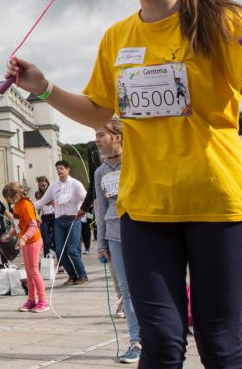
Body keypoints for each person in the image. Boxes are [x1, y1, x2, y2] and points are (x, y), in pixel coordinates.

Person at [5, 0, 242, 367]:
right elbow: (99, 112)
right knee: (159, 342)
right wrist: (43, 88)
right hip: (144, 210)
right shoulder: (117, 37)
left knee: (220, 342)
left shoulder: (220, 21)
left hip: (218, 204)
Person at [91, 117, 140, 364]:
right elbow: (100, 209)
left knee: (152, 285)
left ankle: (167, 330)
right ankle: (136, 340)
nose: (97, 139)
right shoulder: (100, 171)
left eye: (102, 134)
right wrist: (101, 243)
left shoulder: (136, 161)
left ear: (118, 137)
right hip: (114, 234)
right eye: (96, 135)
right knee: (127, 289)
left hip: (142, 230)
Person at [35, 160, 88, 285]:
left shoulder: (76, 184)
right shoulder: (53, 186)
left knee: (72, 250)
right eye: (57, 169)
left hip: (73, 219)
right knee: (59, 250)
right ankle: (72, 276)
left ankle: (83, 275)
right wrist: (27, 205)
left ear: (67, 169)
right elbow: (41, 201)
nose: (59, 171)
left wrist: (83, 209)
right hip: (58, 220)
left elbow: (86, 198)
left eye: (61, 168)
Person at [1, 182, 49, 313]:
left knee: (34, 271)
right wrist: (10, 235)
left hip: (33, 240)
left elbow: (33, 226)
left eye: (9, 198)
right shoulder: (16, 206)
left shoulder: (26, 205)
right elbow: (17, 225)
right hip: (26, 241)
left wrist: (23, 238)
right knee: (28, 271)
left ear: (16, 195)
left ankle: (43, 301)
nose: (9, 201)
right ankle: (31, 300)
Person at [34, 177, 55, 259]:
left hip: (53, 215)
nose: (43, 186)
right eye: (41, 185)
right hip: (44, 217)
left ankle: (60, 261)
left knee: (55, 239)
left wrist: (44, 202)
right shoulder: (37, 193)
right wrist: (37, 218)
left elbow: (52, 202)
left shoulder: (52, 191)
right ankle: (47, 259)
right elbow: (39, 205)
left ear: (47, 183)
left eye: (44, 184)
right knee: (45, 240)